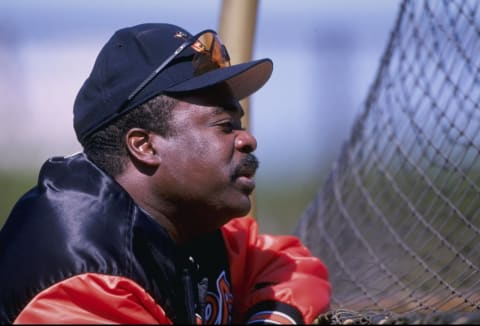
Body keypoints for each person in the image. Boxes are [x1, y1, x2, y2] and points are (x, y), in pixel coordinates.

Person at [0, 23, 330, 324]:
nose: (247, 139)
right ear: (145, 146)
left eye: (239, 125)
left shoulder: (188, 223)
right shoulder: (81, 272)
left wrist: (272, 319)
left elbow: (291, 265)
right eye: (224, 126)